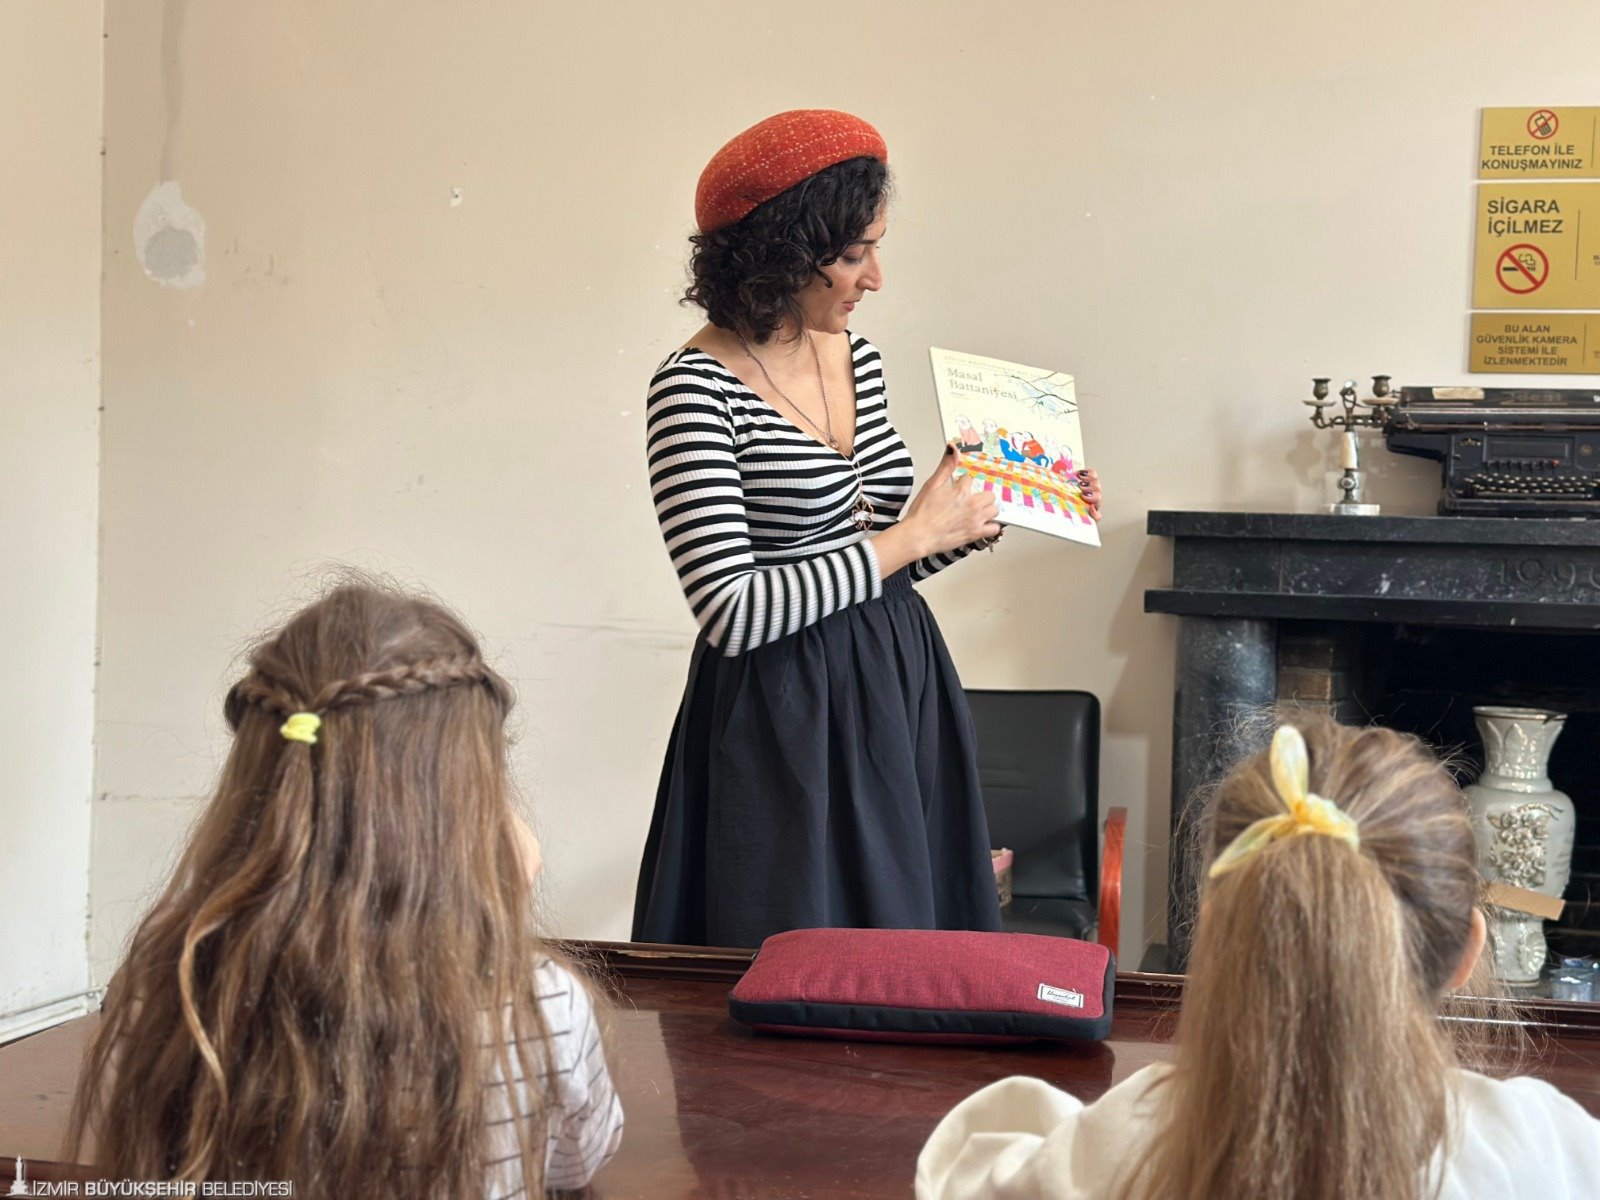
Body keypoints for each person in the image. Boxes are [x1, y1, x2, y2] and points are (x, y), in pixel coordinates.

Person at [632, 108, 1102, 948]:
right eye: (853, 254)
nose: (875, 277)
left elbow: (884, 553)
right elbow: (732, 611)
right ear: (779, 252)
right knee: (798, 956)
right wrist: (910, 537)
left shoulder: (859, 357)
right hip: (781, 713)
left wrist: (975, 515)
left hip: (897, 679)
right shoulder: (692, 388)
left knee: (907, 949)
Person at [66, 580, 623, 1199]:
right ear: (470, 796)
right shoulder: (541, 1007)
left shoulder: (164, 993)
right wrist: (497, 909)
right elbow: (573, 1164)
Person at [916, 715, 1600, 1200]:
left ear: (1219, 930)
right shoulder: (1543, 1145)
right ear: (1467, 951)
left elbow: (965, 1171)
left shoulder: (1133, 1138)